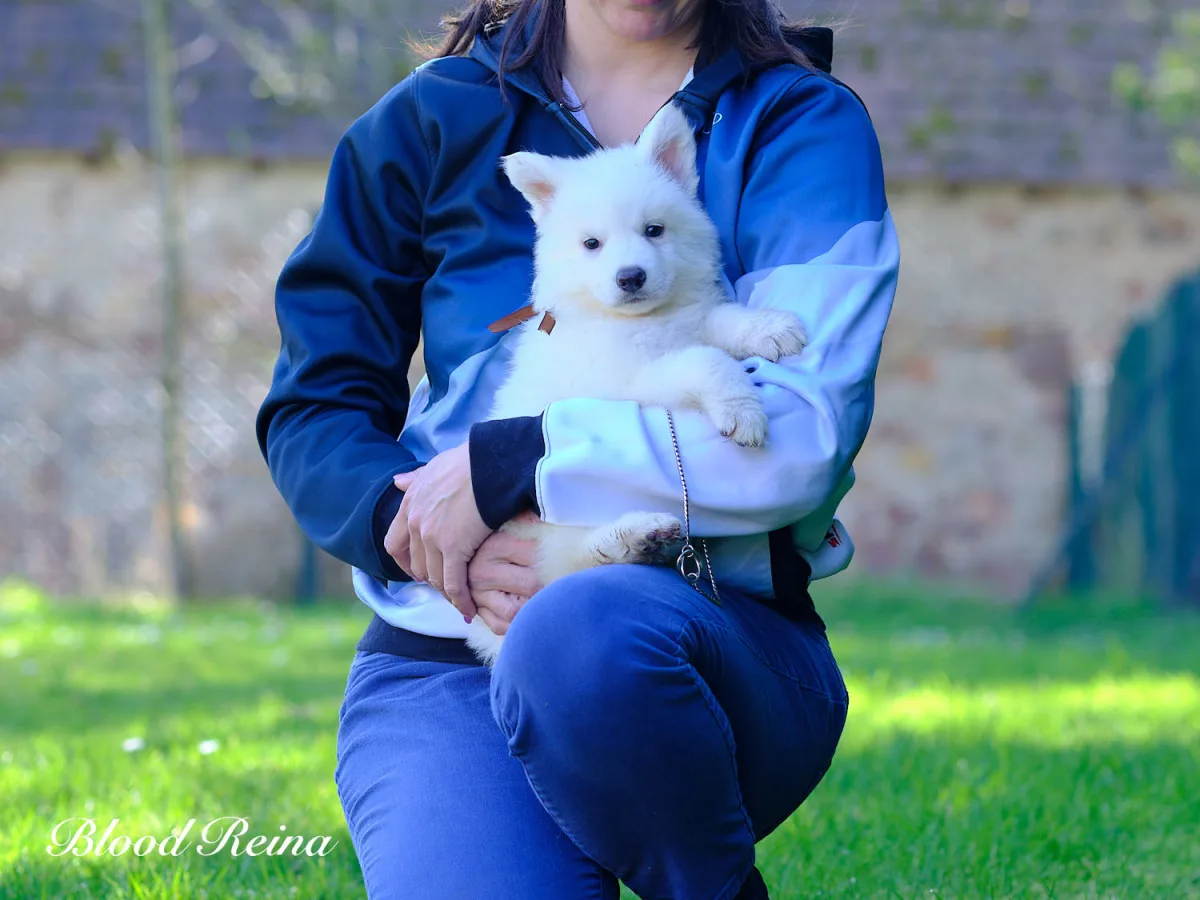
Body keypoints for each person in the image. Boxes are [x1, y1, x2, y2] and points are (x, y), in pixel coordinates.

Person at [255, 0, 899, 893]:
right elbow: (317, 403)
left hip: (709, 634)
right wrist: (426, 530)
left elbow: (800, 440)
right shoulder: (429, 118)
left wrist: (520, 463)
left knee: (582, 631)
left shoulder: (797, 124)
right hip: (452, 652)